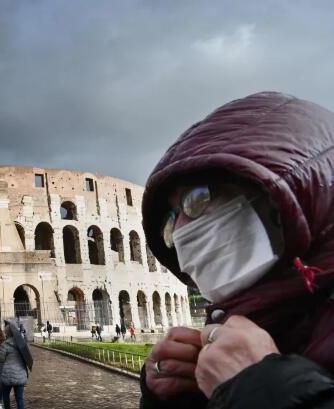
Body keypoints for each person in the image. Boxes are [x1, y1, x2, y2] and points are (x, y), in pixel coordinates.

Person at [139, 92, 334, 408]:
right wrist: (173, 399)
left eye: (198, 197)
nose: (178, 231)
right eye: (170, 220)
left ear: (281, 193)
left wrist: (262, 388)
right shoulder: (245, 321)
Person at [0, 323, 29, 409]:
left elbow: (0, 359)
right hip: (20, 375)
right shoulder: (22, 344)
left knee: (5, 396)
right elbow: (27, 357)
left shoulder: (4, 345)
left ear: (7, 333)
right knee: (19, 398)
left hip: (7, 375)